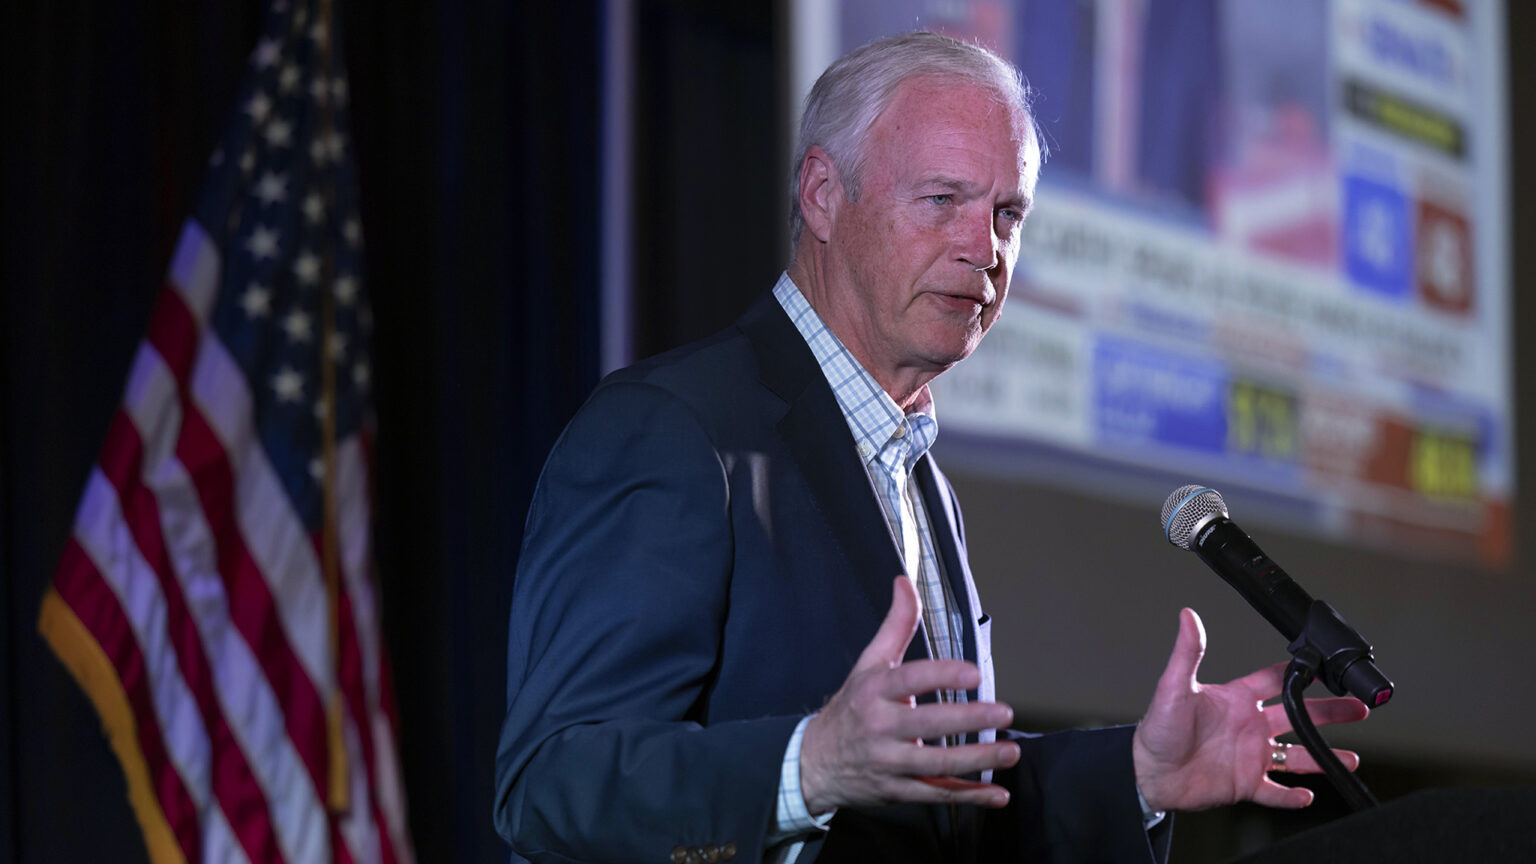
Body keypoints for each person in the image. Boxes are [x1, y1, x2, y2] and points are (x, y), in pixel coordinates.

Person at [493, 31, 1368, 864]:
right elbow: (551, 785)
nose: (984, 248)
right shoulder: (673, 428)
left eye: (1008, 213)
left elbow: (944, 809)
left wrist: (1140, 774)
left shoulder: (916, 471)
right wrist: (807, 768)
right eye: (943, 199)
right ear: (823, 195)